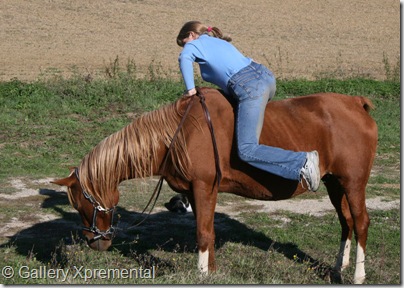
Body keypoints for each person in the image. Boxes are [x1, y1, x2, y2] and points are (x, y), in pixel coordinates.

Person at [176, 21, 320, 191]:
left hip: (249, 86)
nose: (184, 46)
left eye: (183, 42)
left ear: (191, 35)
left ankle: (302, 162)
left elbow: (184, 58)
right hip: (264, 76)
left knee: (246, 149)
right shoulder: (220, 42)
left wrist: (190, 90)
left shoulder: (195, 44)